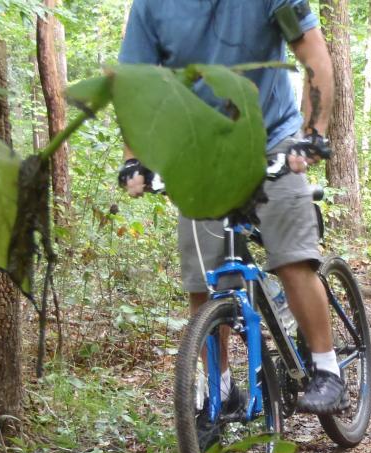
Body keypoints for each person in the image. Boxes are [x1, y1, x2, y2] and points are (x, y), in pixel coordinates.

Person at [117, 0, 347, 414]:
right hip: (199, 150)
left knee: (292, 258)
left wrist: (312, 133)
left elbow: (312, 51)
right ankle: (220, 386)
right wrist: (136, 159)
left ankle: (327, 368)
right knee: (203, 280)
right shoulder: (150, 6)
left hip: (271, 137)